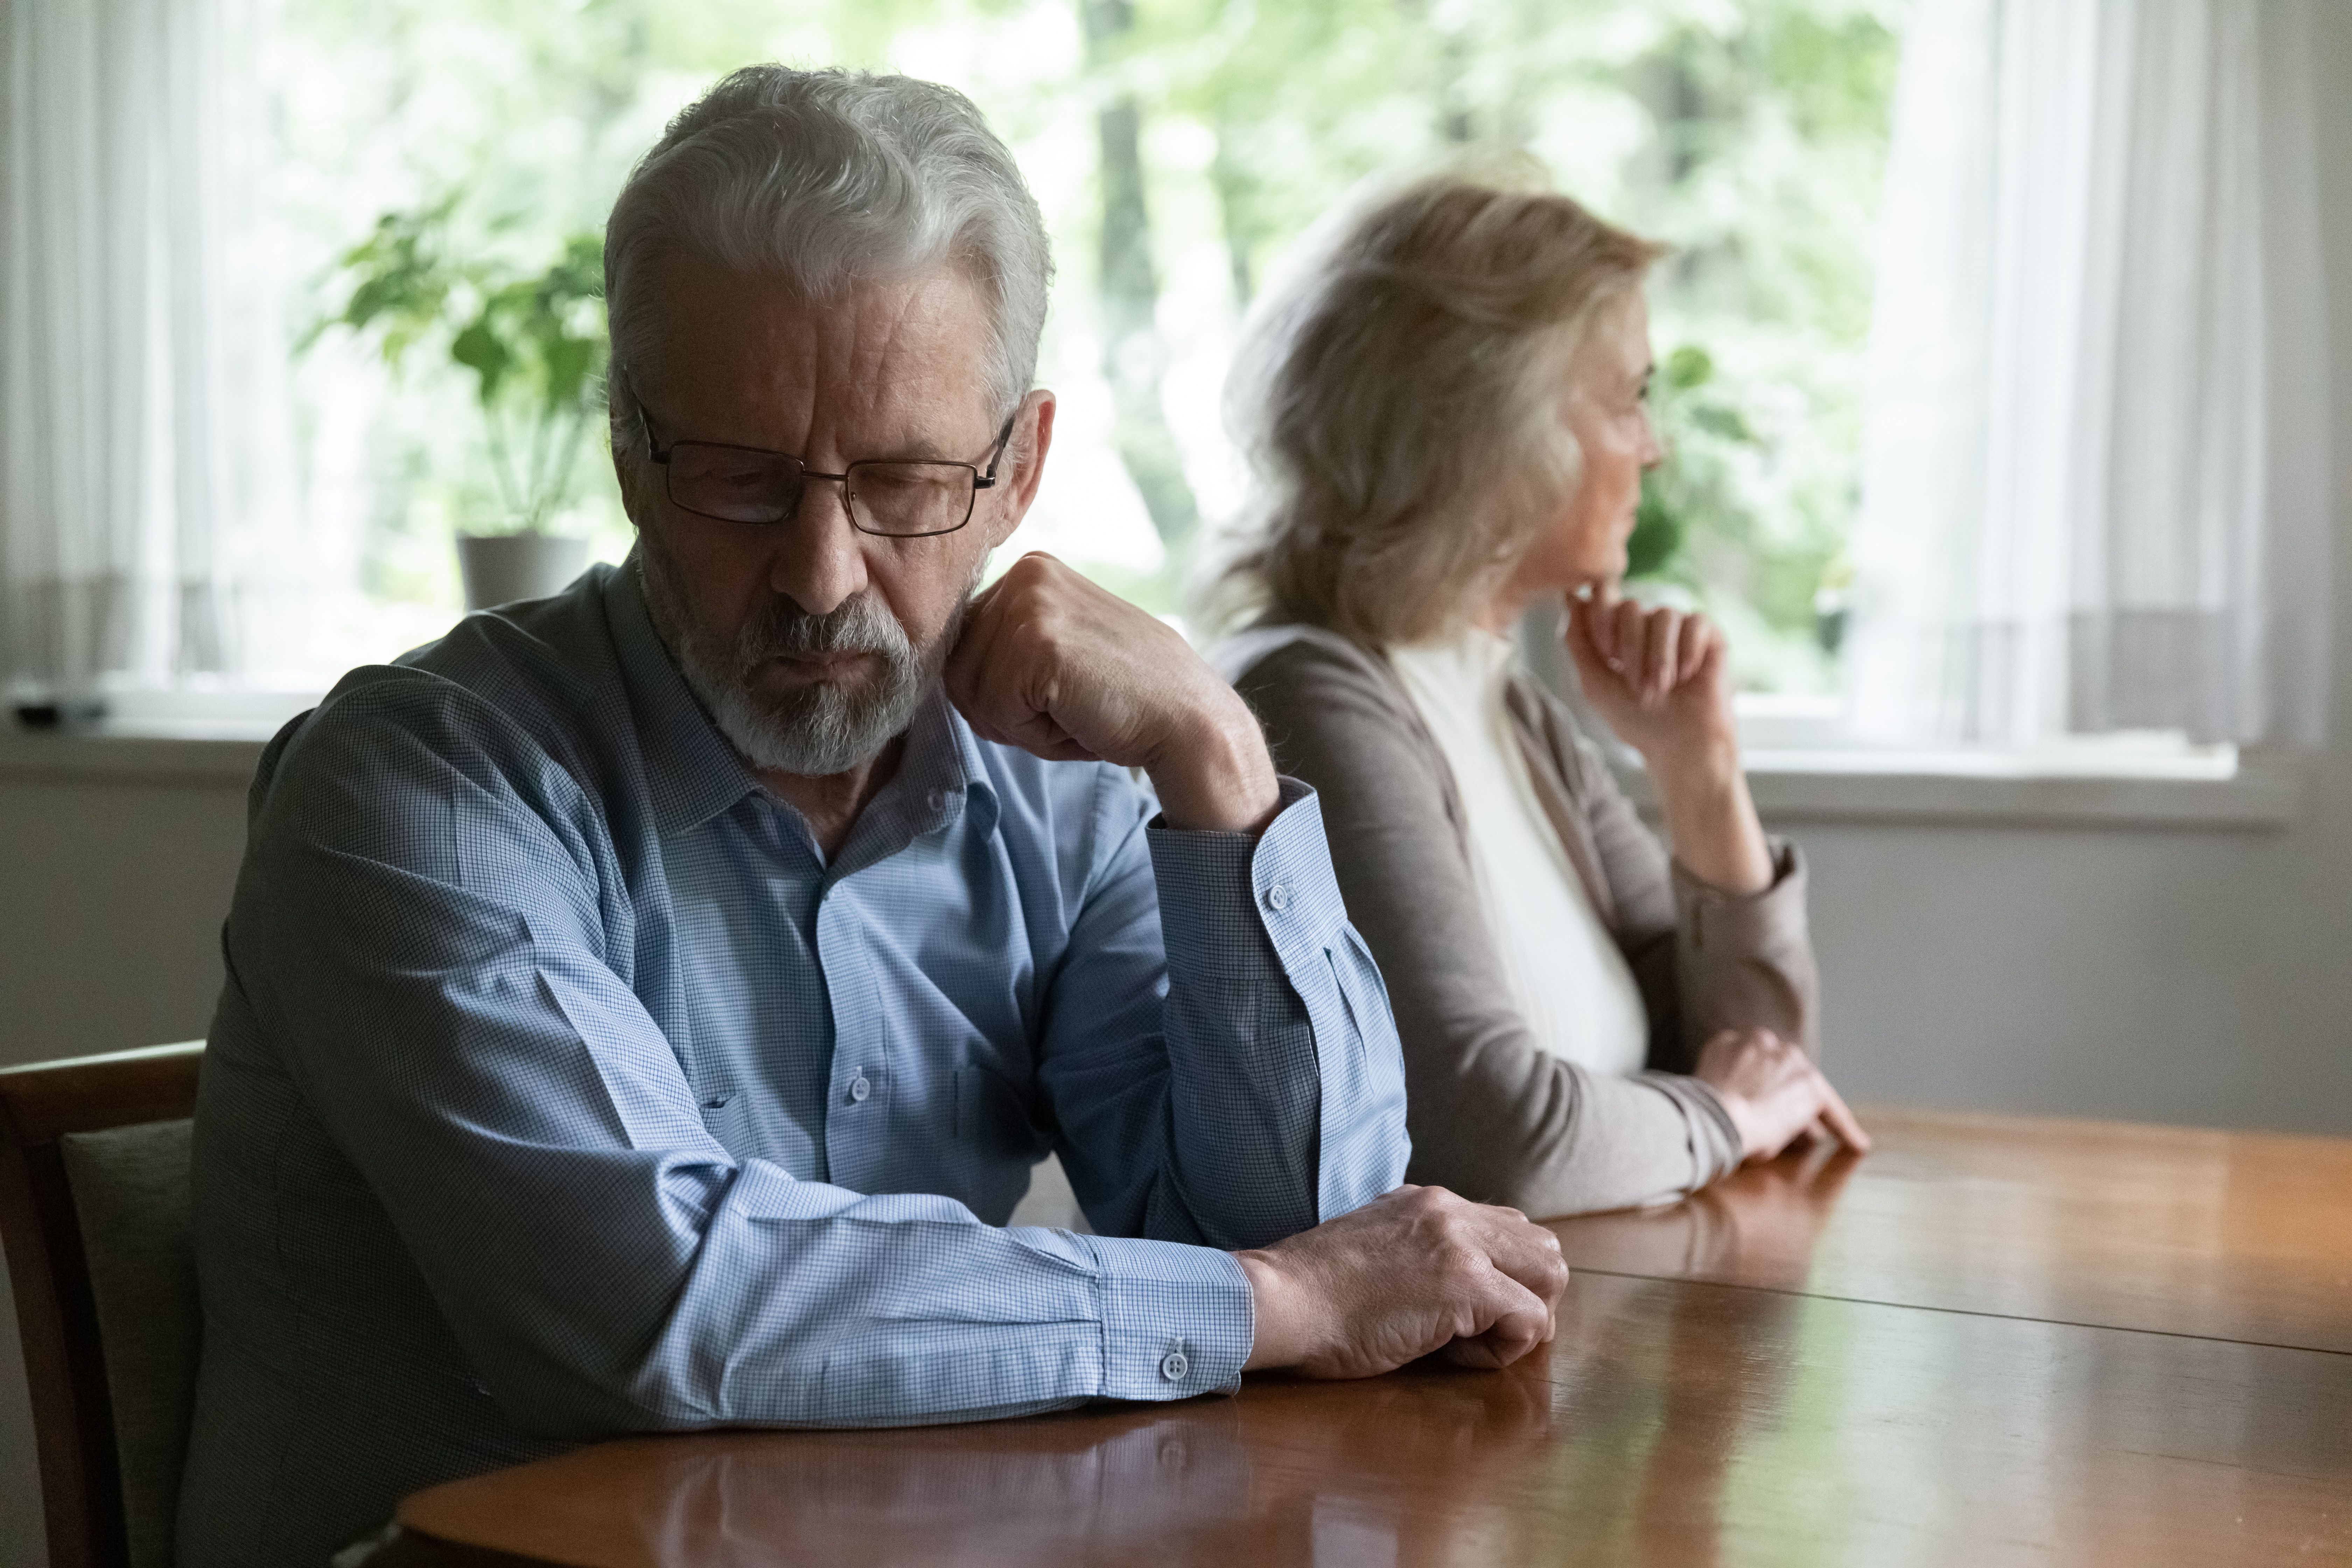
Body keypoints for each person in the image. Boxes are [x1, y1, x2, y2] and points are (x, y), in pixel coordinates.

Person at [178, 72, 1570, 1566]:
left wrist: (1217, 761)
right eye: (740, 478)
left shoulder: (1067, 779)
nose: (823, 572)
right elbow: (658, 1307)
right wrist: (1270, 1305)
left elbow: (1325, 1231)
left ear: (1017, 469)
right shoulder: (415, 786)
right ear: (631, 452)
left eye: (903, 482)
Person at [1211, 165, 1868, 1223]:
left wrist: (1700, 771)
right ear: (1494, 430)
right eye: (1627, 401)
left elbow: (1762, 1060)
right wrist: (1725, 1123)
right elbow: (1494, 1138)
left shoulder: (1503, 703)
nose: (1652, 445)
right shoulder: (1316, 697)